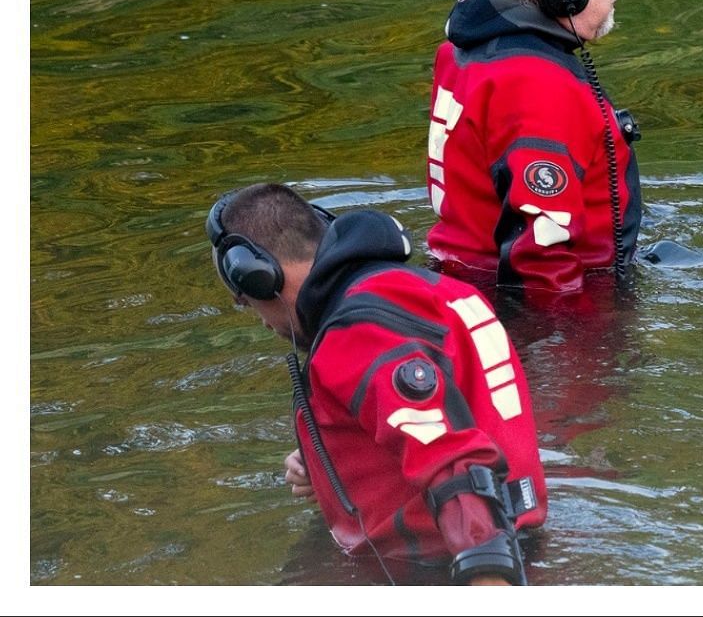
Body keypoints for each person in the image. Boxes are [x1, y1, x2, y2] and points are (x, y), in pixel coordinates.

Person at [206, 183, 546, 584]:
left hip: (445, 568)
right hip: (520, 543)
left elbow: (449, 459)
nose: (263, 321)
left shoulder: (357, 333)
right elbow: (461, 413)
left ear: (262, 276)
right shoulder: (438, 291)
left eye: (248, 301)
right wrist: (331, 462)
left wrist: (488, 574)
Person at [426, 0, 641, 300]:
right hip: (549, 306)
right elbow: (541, 257)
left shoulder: (464, 52)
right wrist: (566, 351)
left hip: (465, 279)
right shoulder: (538, 86)